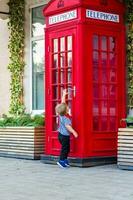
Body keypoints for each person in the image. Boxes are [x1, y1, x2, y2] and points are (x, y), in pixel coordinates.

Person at [55, 89, 78, 168]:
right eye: (68, 108)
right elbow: (68, 127)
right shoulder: (66, 118)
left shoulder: (60, 114)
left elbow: (62, 103)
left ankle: (65, 160)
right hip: (64, 136)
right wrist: (74, 132)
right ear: (66, 111)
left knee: (66, 148)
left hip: (60, 135)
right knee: (65, 149)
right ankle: (61, 161)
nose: (68, 107)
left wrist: (64, 95)